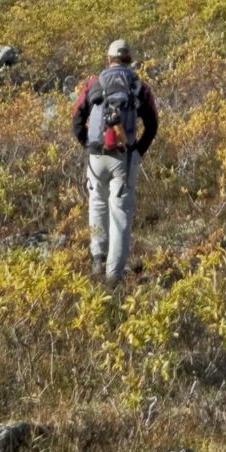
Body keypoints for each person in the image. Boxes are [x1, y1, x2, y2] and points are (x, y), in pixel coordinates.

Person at [72, 38, 159, 286]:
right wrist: (138, 151)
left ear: (108, 59)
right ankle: (114, 278)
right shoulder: (138, 86)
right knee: (120, 214)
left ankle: (98, 258)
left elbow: (76, 118)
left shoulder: (93, 83)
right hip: (124, 157)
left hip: (96, 157)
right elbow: (152, 124)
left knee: (97, 204)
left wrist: (87, 145)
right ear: (129, 61)